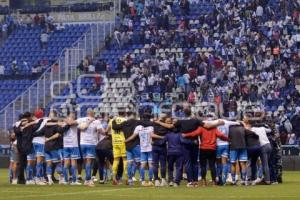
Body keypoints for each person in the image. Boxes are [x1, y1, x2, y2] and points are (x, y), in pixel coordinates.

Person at [155, 107, 224, 187]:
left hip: (185, 142)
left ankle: (190, 181)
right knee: (195, 162)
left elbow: (170, 126)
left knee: (188, 162)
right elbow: (207, 126)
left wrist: (159, 123)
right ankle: (195, 180)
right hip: (194, 142)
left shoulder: (181, 121)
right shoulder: (195, 120)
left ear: (183, 113)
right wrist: (218, 123)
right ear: (191, 112)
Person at [182, 117, 229, 186]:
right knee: (212, 166)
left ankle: (204, 182)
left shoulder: (201, 128)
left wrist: (185, 135)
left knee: (203, 166)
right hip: (212, 149)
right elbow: (220, 135)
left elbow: (194, 133)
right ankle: (214, 182)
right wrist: (228, 139)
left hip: (203, 149)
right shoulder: (214, 129)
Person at [125, 113, 163, 186]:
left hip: (142, 148)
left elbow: (133, 137)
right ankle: (150, 181)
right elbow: (152, 135)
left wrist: (125, 141)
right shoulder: (151, 126)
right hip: (150, 148)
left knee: (142, 165)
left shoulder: (138, 127)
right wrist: (162, 137)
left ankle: (142, 181)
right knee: (151, 165)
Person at [77, 109, 102, 186]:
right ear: (92, 113)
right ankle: (88, 179)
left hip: (82, 143)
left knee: (85, 162)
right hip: (91, 143)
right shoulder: (96, 121)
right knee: (89, 162)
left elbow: (75, 125)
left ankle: (86, 180)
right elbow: (101, 131)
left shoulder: (81, 119)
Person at [108, 110, 128, 185]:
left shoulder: (112, 120)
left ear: (118, 113)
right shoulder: (125, 121)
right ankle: (127, 178)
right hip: (123, 142)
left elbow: (107, 131)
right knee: (125, 160)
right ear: (125, 113)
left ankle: (114, 178)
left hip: (115, 142)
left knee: (116, 160)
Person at [62, 111, 81, 185]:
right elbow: (70, 123)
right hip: (73, 145)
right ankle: (73, 180)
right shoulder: (74, 122)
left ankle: (66, 180)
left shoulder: (65, 122)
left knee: (67, 163)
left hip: (66, 145)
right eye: (72, 116)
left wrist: (65, 120)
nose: (73, 117)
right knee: (73, 163)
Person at [164, 117, 183, 187]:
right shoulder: (180, 134)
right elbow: (183, 141)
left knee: (170, 167)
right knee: (179, 167)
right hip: (179, 152)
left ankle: (171, 181)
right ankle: (176, 182)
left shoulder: (168, 134)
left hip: (170, 152)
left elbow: (163, 141)